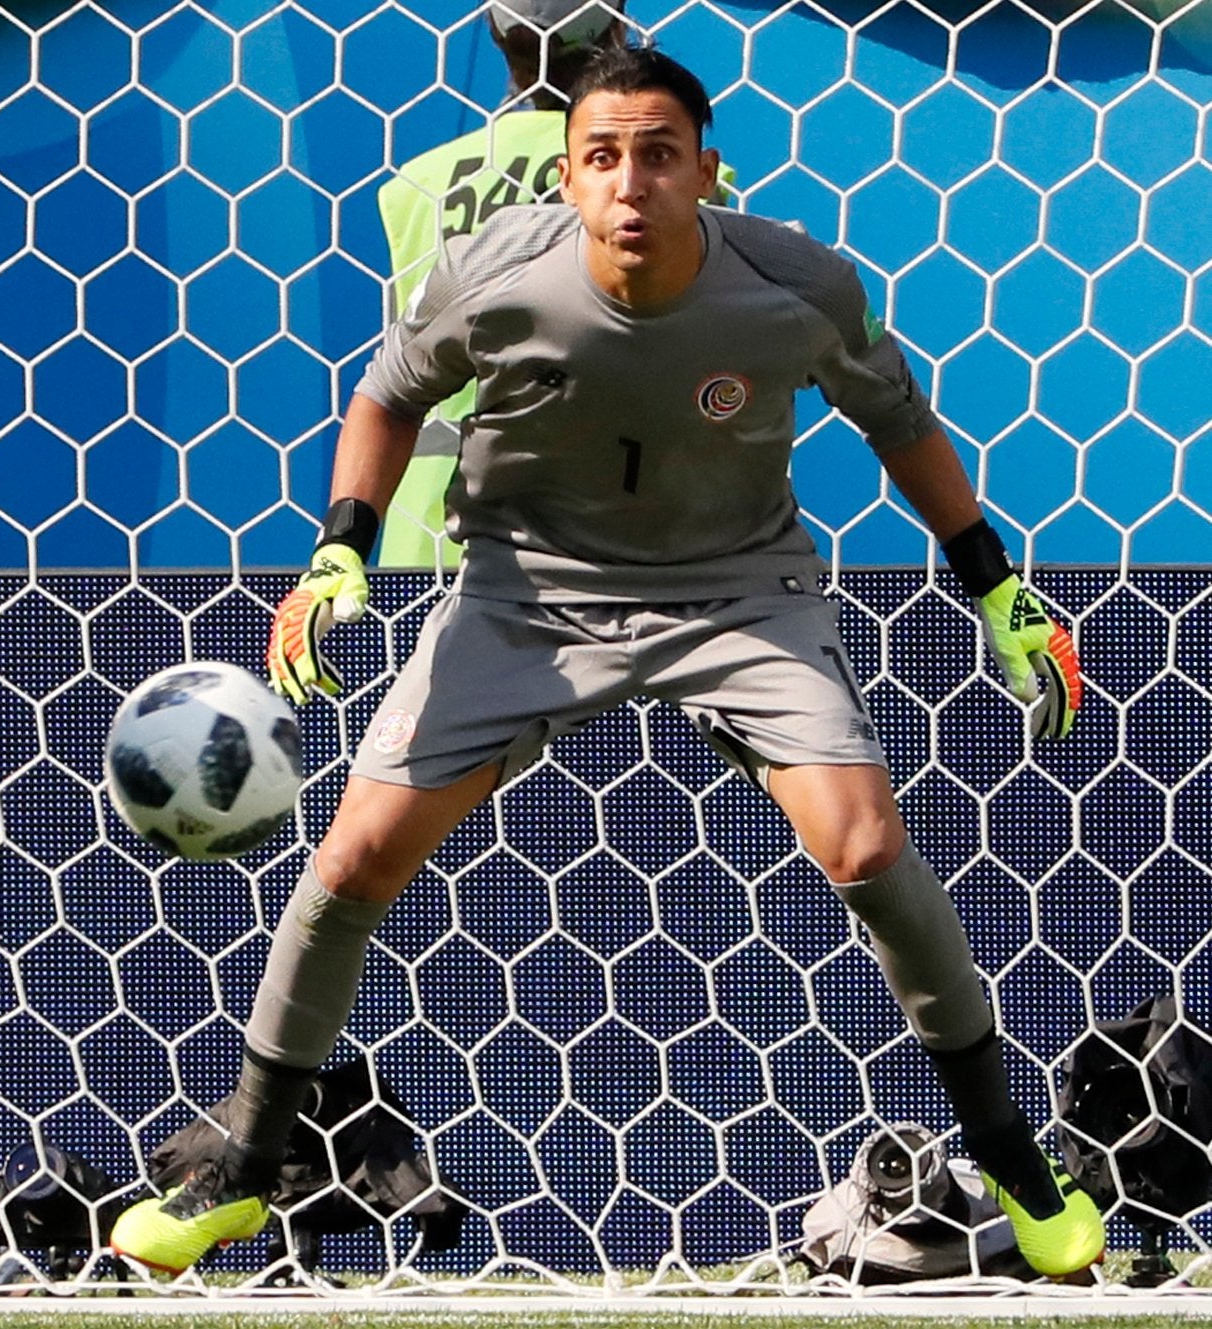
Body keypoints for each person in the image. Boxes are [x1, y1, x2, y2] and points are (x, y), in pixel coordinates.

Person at [111, 43, 1101, 1279]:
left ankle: (1009, 1157)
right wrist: (337, 558)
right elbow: (384, 400)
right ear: (568, 178)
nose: (629, 182)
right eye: (601, 157)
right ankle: (247, 1170)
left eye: (657, 155)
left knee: (867, 847)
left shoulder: (795, 286)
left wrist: (998, 592)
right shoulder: (494, 277)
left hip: (739, 595)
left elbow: (901, 421)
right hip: (525, 596)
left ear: (706, 171)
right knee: (355, 857)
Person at [376, 0, 732, 570]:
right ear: (617, 29)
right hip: (609, 526)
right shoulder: (665, 175)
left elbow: (396, 380)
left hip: (428, 530)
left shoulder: (418, 184)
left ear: (494, 35)